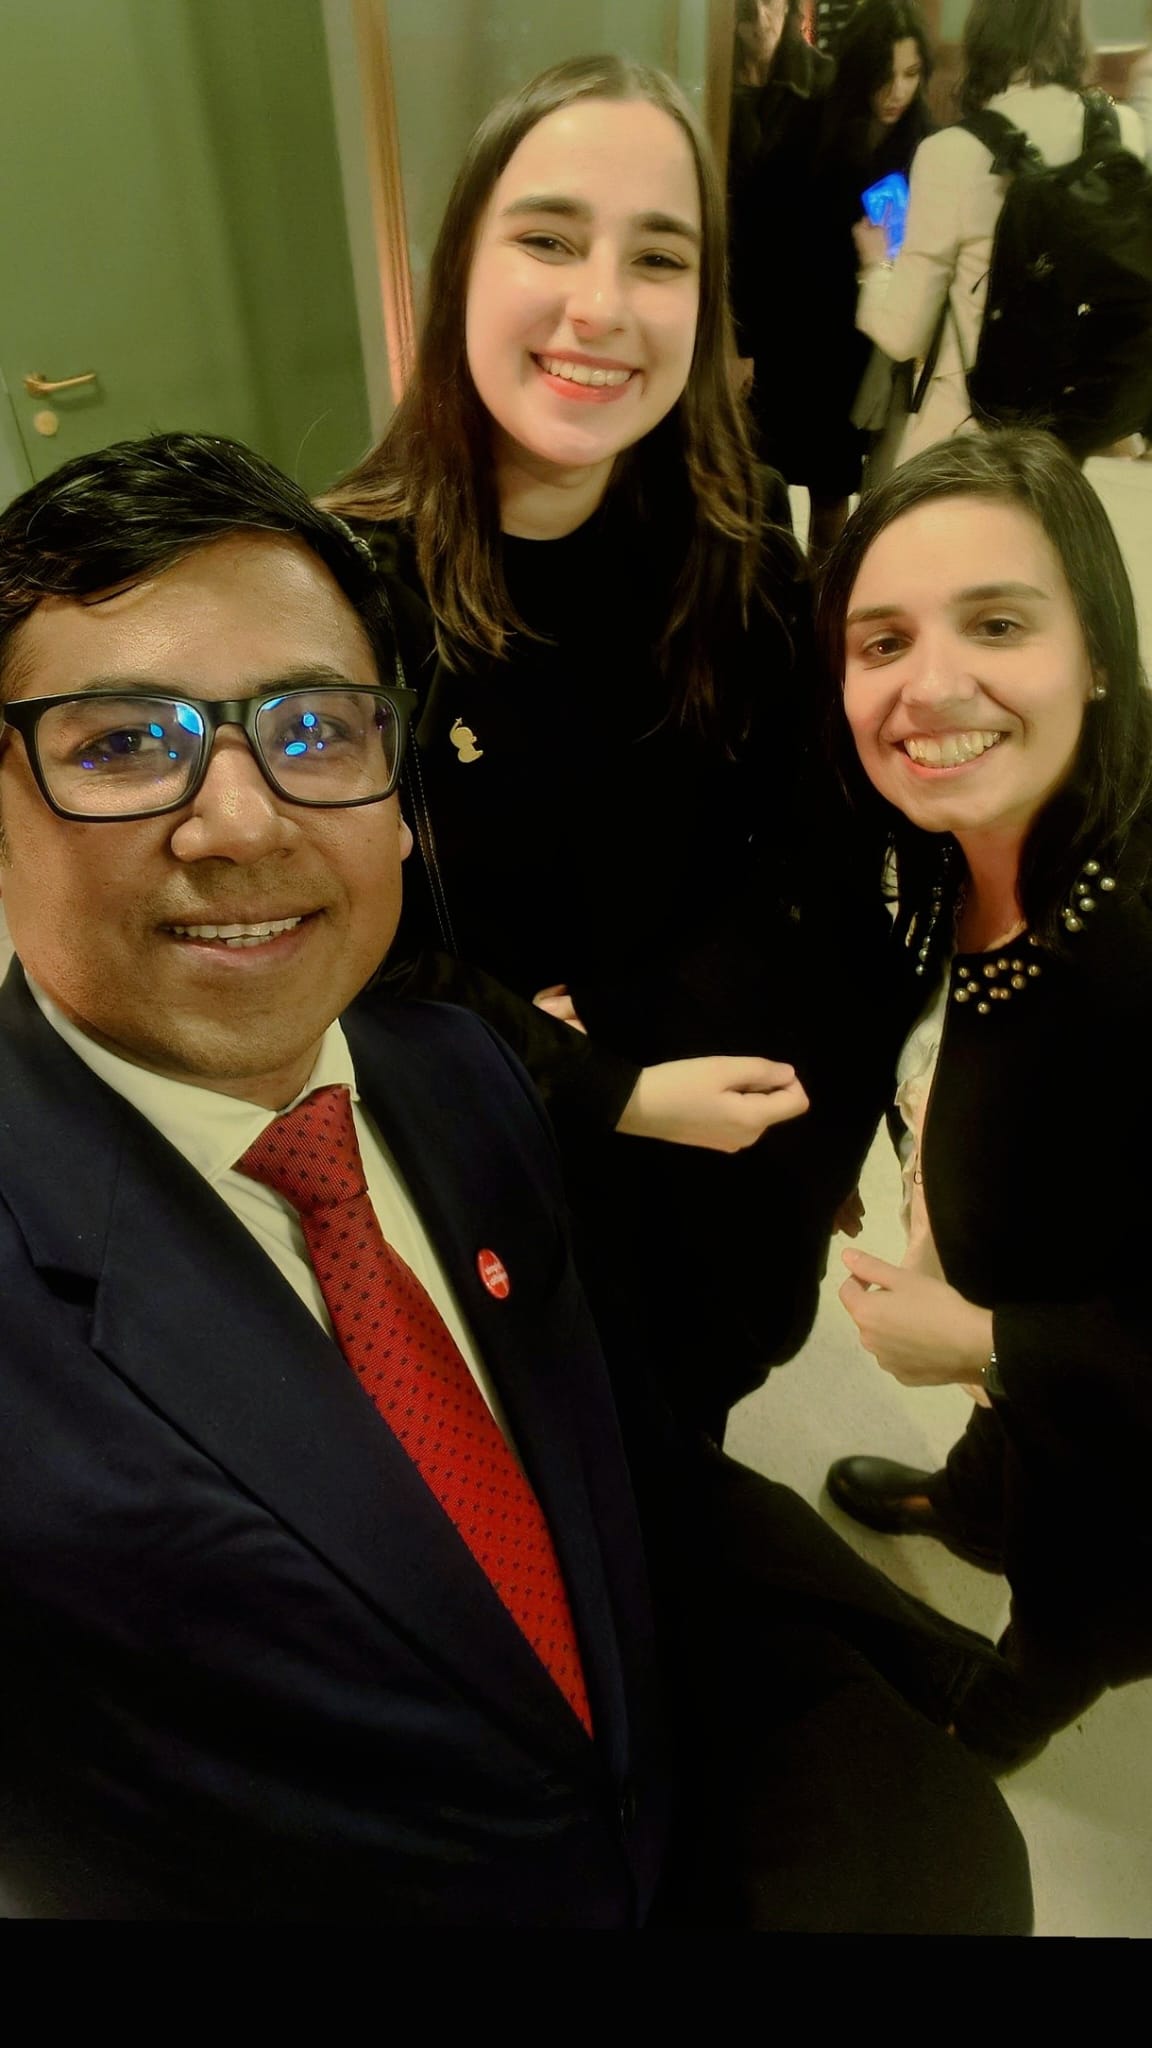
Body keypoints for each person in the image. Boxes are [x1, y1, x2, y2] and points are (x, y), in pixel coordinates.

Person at [0, 431, 1035, 1928]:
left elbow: (604, 1477)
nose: (240, 821)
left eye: (316, 729)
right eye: (119, 746)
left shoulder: (452, 1074)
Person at [325, 55, 897, 1439]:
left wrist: (650, 1045)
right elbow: (340, 949)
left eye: (659, 257)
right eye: (548, 239)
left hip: (716, 1163)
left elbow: (816, 864)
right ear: (460, 268)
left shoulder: (745, 547)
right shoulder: (346, 591)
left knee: (683, 1440)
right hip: (490, 1177)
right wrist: (596, 1082)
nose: (602, 306)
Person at [814, 427, 1152, 1771]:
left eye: (998, 623)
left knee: (1081, 1587)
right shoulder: (969, 840)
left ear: (1099, 654)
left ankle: (1012, 1705)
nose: (932, 684)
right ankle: (973, 1501)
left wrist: (987, 1341)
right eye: (884, 640)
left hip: (1123, 1449)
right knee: (1014, 1467)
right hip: (1037, 1329)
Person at [853, 0, 1146, 467]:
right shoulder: (1122, 131)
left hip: (968, 432)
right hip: (1071, 438)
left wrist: (875, 265)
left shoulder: (951, 151)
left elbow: (903, 334)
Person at [751, 0, 935, 558]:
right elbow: (763, 237)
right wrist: (744, 342)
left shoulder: (926, 144)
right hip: (799, 335)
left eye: (910, 74)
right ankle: (782, 589)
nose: (896, 92)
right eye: (883, 75)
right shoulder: (809, 125)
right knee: (774, 485)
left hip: (870, 341)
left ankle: (826, 594)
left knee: (846, 493)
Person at [727, 2, 835, 392]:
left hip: (797, 294)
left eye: (769, 2)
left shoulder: (825, 80)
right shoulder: (707, 77)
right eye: (747, 4)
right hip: (724, 283)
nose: (760, 18)